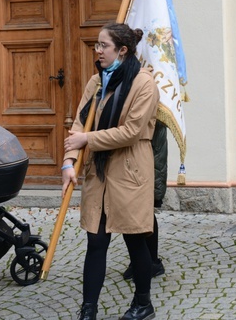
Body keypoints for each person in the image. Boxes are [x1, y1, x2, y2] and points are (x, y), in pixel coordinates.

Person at [62, 22, 159, 320]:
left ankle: (143, 303)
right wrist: (69, 160)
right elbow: (80, 123)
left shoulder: (144, 84)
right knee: (96, 241)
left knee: (134, 238)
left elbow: (130, 132)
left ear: (123, 50)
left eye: (104, 45)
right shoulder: (97, 81)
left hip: (129, 169)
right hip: (99, 172)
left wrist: (87, 140)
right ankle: (88, 309)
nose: (97, 50)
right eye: (97, 45)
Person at [122, 119, 167, 281]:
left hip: (147, 161)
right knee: (137, 212)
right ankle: (141, 260)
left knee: (144, 212)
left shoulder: (152, 101)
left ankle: (152, 262)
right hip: (137, 160)